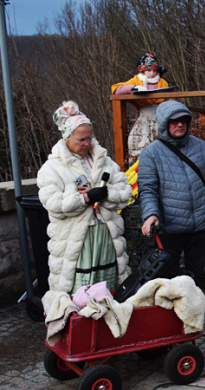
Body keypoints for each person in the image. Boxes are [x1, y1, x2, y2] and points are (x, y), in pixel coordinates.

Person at [37, 101, 132, 294]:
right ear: (67, 138)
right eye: (81, 140)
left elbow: (125, 191)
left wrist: (106, 194)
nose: (87, 144)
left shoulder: (104, 161)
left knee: (110, 286)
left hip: (107, 235)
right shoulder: (52, 168)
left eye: (89, 138)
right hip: (75, 239)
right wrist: (84, 199)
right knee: (80, 289)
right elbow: (52, 203)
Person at [139, 101, 205, 289]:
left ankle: (196, 315)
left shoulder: (202, 147)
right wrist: (151, 214)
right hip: (169, 227)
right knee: (167, 277)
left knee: (197, 276)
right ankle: (169, 317)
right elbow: (147, 188)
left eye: (184, 120)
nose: (180, 125)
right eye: (174, 121)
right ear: (163, 124)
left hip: (199, 224)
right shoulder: (151, 154)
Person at [111, 53, 170, 161]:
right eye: (149, 70)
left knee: (161, 142)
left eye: (154, 70)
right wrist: (134, 88)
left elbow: (170, 99)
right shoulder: (136, 80)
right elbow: (116, 89)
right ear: (142, 70)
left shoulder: (162, 82)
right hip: (143, 117)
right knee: (136, 142)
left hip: (160, 115)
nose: (152, 73)